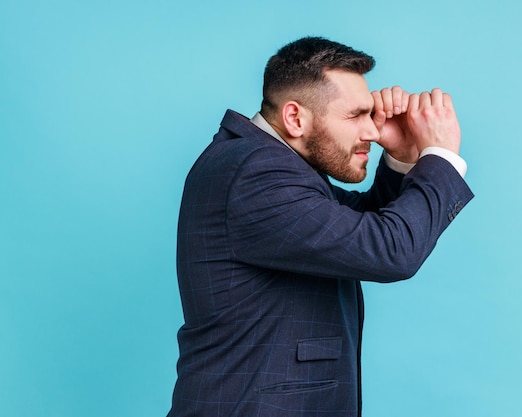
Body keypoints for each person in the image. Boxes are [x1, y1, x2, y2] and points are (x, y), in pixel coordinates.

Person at [167, 36, 474, 417]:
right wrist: (441, 156)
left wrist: (402, 158)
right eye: (355, 116)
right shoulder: (255, 173)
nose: (373, 132)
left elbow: (354, 229)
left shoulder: (266, 165)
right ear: (295, 118)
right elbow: (388, 251)